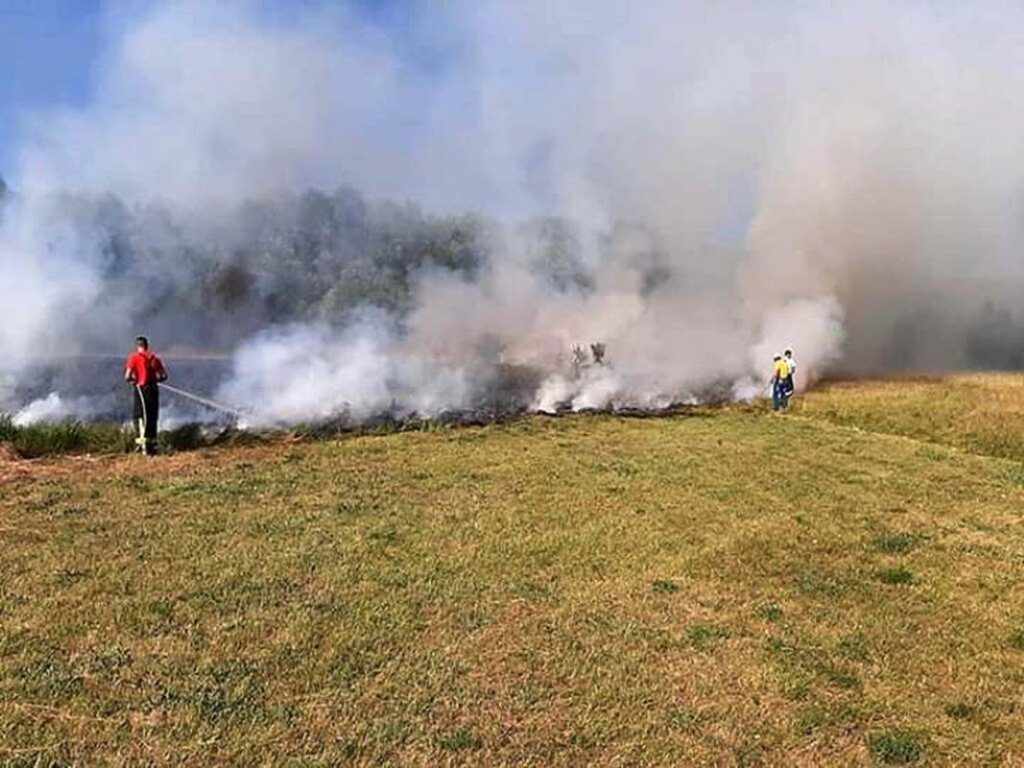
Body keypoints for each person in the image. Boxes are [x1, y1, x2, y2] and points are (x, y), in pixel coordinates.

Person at [124, 336, 168, 455]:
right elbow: (164, 376)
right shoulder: (154, 358)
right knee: (152, 416)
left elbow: (127, 376)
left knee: (139, 416)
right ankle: (152, 446)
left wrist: (134, 380)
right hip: (153, 390)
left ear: (137, 346)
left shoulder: (133, 358)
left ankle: (141, 445)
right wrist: (156, 379)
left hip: (140, 390)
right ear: (147, 346)